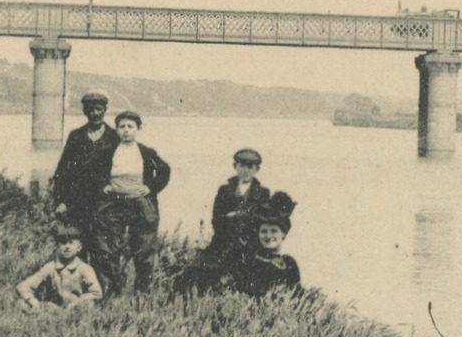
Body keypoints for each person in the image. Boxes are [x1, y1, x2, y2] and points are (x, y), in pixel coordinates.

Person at [86, 110, 172, 296]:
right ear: (116, 130)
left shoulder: (146, 152)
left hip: (140, 204)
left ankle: (142, 293)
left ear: (138, 129)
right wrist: (104, 185)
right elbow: (93, 171)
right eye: (122, 126)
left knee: (144, 249)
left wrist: (151, 188)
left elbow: (165, 170)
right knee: (107, 249)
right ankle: (111, 292)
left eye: (130, 126)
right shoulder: (107, 151)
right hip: (113, 204)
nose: (126, 130)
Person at [176, 148, 272, 294]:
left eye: (250, 166)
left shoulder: (263, 193)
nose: (245, 170)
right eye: (242, 165)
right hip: (223, 241)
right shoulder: (224, 190)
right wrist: (232, 222)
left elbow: (262, 220)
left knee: (251, 279)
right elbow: (216, 219)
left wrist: (237, 215)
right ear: (235, 167)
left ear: (257, 169)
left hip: (249, 244)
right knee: (196, 269)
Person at [50, 92, 112, 249]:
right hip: (77, 205)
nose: (94, 113)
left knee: (103, 251)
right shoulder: (76, 136)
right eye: (90, 110)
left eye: (98, 109)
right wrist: (61, 201)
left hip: (104, 206)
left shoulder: (114, 137)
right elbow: (62, 171)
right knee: (77, 249)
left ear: (105, 110)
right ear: (85, 112)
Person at [228, 192, 301, 298]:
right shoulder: (251, 262)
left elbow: (297, 296)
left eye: (274, 231)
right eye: (264, 231)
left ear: (283, 233)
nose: (268, 235)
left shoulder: (289, 263)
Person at [15, 225, 103, 311]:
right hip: (55, 309)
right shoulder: (50, 267)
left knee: (89, 304)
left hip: (77, 308)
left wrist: (78, 302)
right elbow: (23, 286)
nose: (67, 247)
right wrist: (31, 300)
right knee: (22, 303)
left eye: (71, 243)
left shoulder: (85, 268)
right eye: (63, 243)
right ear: (58, 246)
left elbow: (96, 293)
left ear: (79, 248)